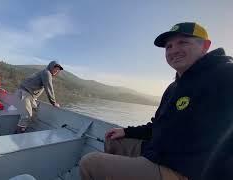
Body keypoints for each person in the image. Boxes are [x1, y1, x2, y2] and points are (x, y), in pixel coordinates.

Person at [79, 22, 233, 180]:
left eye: (183, 42)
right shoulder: (174, 87)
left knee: (90, 163)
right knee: (113, 140)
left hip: (186, 170)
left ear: (205, 46)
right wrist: (127, 131)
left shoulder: (224, 74)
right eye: (169, 47)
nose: (174, 50)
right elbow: (158, 125)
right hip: (160, 153)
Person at [15, 60, 63, 133]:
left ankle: (26, 128)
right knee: (27, 114)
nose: (56, 71)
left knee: (34, 110)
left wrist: (35, 97)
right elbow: (49, 88)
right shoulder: (47, 73)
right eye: (55, 68)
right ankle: (18, 133)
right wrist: (54, 102)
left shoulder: (45, 72)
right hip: (24, 92)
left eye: (58, 70)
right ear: (51, 66)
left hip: (30, 95)